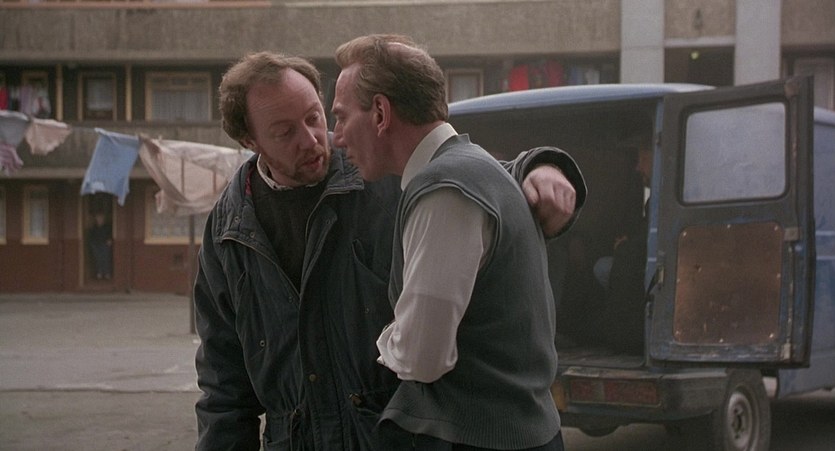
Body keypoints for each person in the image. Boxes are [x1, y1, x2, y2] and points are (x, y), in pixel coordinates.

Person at [194, 51, 586, 450]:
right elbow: (223, 382)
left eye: (314, 117)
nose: (312, 139)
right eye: (285, 132)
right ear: (250, 141)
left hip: (389, 436)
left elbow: (467, 178)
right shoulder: (229, 232)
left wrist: (541, 168)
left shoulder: (381, 171)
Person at [331, 34, 565, 450]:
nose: (336, 137)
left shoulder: (444, 189)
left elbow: (422, 357)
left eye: (341, 117)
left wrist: (389, 337)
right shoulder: (473, 170)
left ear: (381, 113)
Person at [87, 212, 112, 280]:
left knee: (106, 258)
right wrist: (92, 244)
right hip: (96, 245)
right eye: (98, 218)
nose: (99, 219)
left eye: (101, 218)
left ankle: (107, 273)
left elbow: (110, 234)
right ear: (96, 219)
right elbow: (91, 237)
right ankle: (99, 273)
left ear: (103, 219)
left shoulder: (107, 226)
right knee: (98, 259)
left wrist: (109, 240)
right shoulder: (94, 227)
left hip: (105, 244)